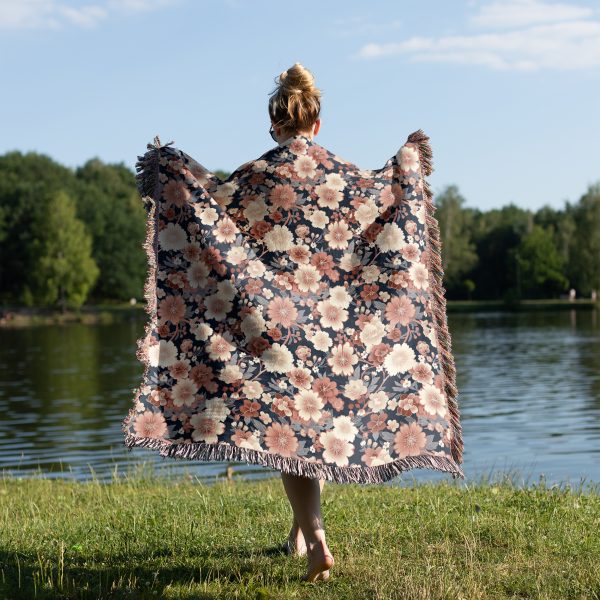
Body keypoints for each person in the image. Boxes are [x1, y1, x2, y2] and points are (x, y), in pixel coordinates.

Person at [267, 62, 333, 583]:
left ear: (276, 125)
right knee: (312, 432)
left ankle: (317, 542)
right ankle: (296, 536)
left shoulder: (259, 176)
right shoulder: (341, 176)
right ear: (316, 123)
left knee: (288, 438)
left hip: (278, 324)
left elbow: (212, 214)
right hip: (331, 326)